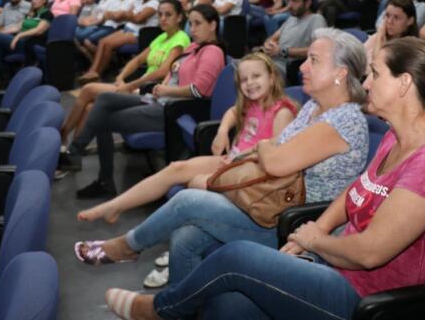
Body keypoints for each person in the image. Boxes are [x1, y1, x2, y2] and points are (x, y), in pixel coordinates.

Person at [102, 37, 425, 320]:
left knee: (236, 257)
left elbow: (370, 253)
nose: (367, 83)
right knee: (224, 306)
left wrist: (314, 240)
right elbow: (356, 190)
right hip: (338, 268)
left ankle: (161, 308)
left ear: (404, 83)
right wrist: (316, 231)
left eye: (375, 73)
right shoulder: (396, 137)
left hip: (372, 302)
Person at [74, 28, 369, 287]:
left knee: (187, 200)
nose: (302, 65)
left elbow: (275, 160)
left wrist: (263, 147)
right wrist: (263, 149)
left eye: (313, 60)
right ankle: (179, 316)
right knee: (185, 238)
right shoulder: (314, 107)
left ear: (341, 73)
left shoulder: (344, 121)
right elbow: (274, 150)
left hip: (287, 219)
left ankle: (128, 246)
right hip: (270, 197)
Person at [77, 52, 297, 223]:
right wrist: (222, 131)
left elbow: (273, 153)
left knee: (192, 183)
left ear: (272, 78)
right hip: (233, 163)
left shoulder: (283, 112)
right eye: (244, 80)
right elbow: (233, 111)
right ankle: (114, 207)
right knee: (176, 168)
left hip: (252, 174)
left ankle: (179, 237)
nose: (250, 83)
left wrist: (239, 158)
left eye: (256, 76)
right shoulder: (252, 102)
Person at [68, 4, 226, 198]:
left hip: (171, 110)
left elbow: (198, 90)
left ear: (213, 25)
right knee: (105, 99)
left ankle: (82, 159)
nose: (192, 29)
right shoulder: (194, 47)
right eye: (191, 24)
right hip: (158, 99)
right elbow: (173, 72)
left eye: (198, 24)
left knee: (102, 119)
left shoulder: (212, 52)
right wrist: (164, 85)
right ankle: (78, 154)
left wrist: (166, 89)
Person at [60, 0, 190, 145]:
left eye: (168, 15)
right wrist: (120, 77)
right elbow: (137, 60)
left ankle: (64, 135)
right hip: (138, 87)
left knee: (88, 89)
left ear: (179, 17)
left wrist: (130, 85)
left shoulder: (181, 39)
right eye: (160, 15)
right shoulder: (162, 37)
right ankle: (73, 147)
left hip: (150, 92)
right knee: (91, 107)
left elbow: (163, 72)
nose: (163, 18)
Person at [78, 0, 160, 83]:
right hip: (127, 28)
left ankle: (98, 74)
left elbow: (138, 19)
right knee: (102, 41)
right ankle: (92, 71)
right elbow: (129, 16)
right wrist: (129, 15)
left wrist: (128, 15)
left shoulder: (154, 3)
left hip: (139, 33)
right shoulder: (138, 1)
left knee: (109, 44)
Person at [261, 0, 327, 80]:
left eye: (295, 1)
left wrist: (282, 51)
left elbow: (317, 51)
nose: (290, 5)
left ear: (308, 3)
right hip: (271, 61)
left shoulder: (316, 19)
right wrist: (268, 45)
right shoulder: (291, 19)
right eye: (289, 0)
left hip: (285, 68)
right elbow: (272, 38)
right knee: (239, 65)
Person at [365, 0, 419, 74]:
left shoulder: (410, 47)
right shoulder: (380, 34)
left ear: (410, 21)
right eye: (387, 15)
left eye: (396, 17)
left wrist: (379, 38)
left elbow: (377, 67)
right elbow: (358, 58)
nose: (390, 21)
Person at [10, 0, 54, 66]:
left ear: (44, 0)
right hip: (23, 39)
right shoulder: (32, 13)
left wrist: (19, 36)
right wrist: (2, 31)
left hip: (30, 41)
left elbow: (39, 30)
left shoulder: (47, 13)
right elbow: (18, 27)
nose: (33, 1)